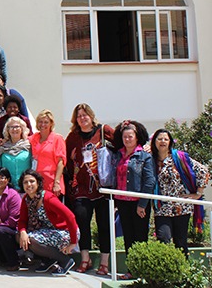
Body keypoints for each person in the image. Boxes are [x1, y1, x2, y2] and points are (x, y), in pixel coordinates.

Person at [64, 103, 114, 275]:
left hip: (103, 188)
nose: (82, 118)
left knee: (104, 226)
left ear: (91, 116)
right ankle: (85, 258)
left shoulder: (103, 131)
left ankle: (105, 262)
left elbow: (122, 144)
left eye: (85, 115)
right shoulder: (73, 137)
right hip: (82, 189)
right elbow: (67, 162)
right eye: (79, 116)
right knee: (82, 223)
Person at [150, 129, 209, 257]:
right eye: (159, 139)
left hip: (181, 207)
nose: (162, 141)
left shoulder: (179, 158)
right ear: (154, 142)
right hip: (162, 207)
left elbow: (203, 171)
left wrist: (198, 193)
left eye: (166, 139)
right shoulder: (151, 160)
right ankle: (165, 273)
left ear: (170, 142)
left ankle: (183, 273)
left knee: (180, 242)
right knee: (163, 239)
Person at [110, 120, 155, 280]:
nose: (127, 139)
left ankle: (142, 271)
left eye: (130, 136)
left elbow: (149, 181)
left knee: (140, 237)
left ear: (137, 138)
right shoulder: (118, 154)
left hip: (138, 203)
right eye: (125, 137)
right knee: (128, 237)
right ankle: (131, 270)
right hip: (122, 202)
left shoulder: (144, 156)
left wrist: (142, 204)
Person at [18, 170, 78, 277]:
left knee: (32, 240)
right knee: (20, 237)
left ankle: (65, 260)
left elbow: (70, 216)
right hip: (47, 232)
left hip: (65, 232)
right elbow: (22, 221)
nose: (29, 185)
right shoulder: (26, 200)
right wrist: (22, 232)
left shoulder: (48, 198)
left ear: (38, 183)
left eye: (32, 181)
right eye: (25, 182)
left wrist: (73, 242)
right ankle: (48, 260)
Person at [28, 110, 66, 197]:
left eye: (46, 122)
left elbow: (61, 162)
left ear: (51, 124)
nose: (43, 125)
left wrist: (57, 183)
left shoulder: (57, 139)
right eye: (40, 122)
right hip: (36, 182)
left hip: (52, 182)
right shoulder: (34, 138)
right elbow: (21, 140)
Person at [0, 117, 32, 190]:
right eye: (11, 127)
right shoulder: (3, 148)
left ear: (22, 129)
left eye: (17, 127)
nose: (14, 129)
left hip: (26, 188)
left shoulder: (29, 146)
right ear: (7, 130)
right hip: (8, 189)